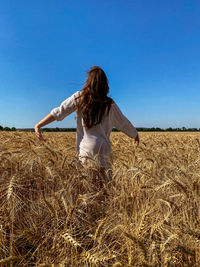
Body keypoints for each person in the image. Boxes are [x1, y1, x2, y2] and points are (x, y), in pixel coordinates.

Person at [35, 66, 139, 174]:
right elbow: (123, 123)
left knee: (89, 188)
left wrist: (38, 125)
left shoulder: (80, 97)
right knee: (106, 188)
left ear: (89, 82)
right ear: (105, 84)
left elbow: (59, 112)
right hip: (105, 152)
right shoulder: (110, 104)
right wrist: (134, 134)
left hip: (86, 151)